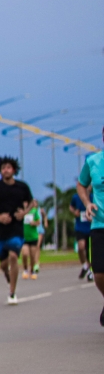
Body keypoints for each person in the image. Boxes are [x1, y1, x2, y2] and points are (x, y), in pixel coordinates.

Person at [0, 156, 33, 306]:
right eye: (3, 168)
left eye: (8, 167)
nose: (6, 170)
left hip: (16, 229)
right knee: (3, 264)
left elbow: (32, 203)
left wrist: (24, 213)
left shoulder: (22, 187)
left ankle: (12, 293)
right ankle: (9, 277)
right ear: (0, 171)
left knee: (14, 256)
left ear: (14, 170)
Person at [75, 127, 104, 327]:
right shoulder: (93, 161)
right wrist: (87, 203)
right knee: (99, 273)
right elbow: (81, 184)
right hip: (99, 223)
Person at [70, 190, 93, 280]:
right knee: (81, 247)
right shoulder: (76, 197)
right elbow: (71, 207)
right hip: (80, 227)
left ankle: (90, 271)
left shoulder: (93, 197)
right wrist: (74, 212)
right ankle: (84, 265)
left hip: (91, 227)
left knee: (90, 252)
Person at [20, 202, 44, 280]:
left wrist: (34, 223)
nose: (25, 204)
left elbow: (39, 222)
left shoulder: (34, 211)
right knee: (25, 253)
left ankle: (32, 270)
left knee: (32, 256)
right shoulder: (20, 211)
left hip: (33, 237)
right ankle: (25, 269)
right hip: (24, 237)